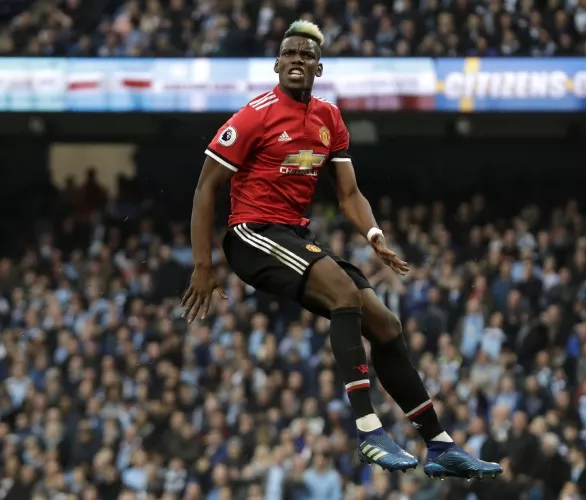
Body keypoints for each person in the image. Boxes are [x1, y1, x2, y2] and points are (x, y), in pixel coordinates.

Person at [181, 19, 502, 480]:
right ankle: (369, 431)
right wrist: (202, 266)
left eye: (306, 56)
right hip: (252, 234)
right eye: (289, 54)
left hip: (295, 236)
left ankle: (439, 444)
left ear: (318, 67)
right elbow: (205, 188)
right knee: (344, 297)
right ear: (276, 64)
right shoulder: (254, 115)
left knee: (386, 324)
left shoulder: (329, 118)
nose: (297, 61)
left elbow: (349, 196)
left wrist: (375, 238)